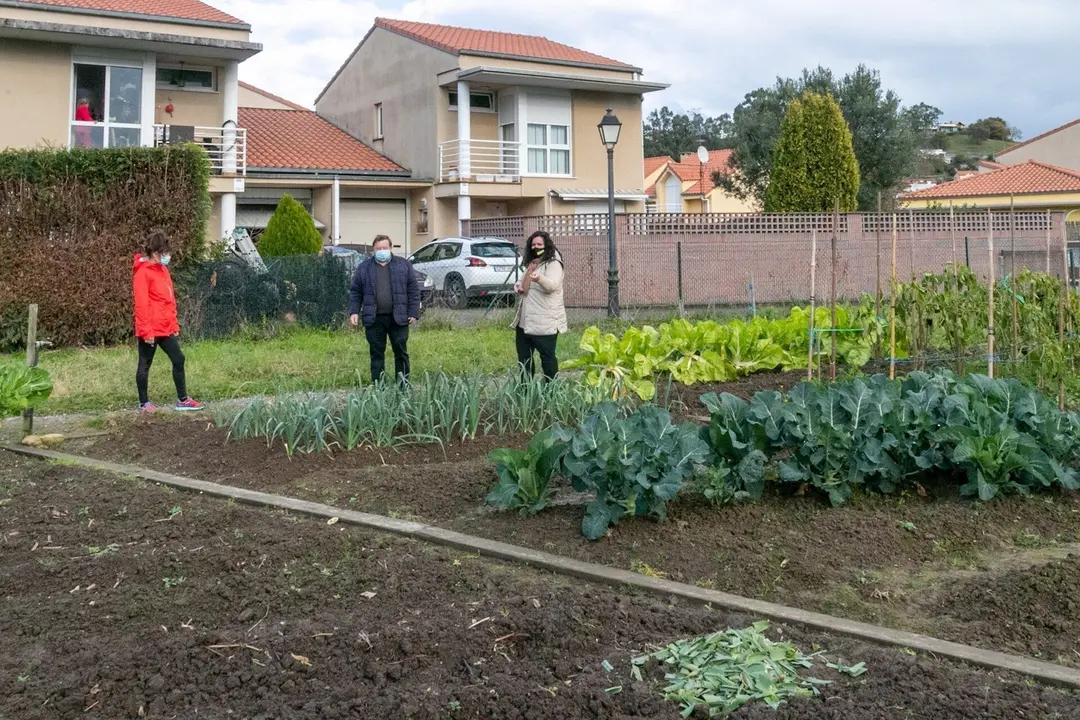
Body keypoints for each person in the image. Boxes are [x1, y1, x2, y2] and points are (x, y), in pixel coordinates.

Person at [132, 231, 203, 414]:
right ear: (155, 253)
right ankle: (143, 403)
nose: (167, 256)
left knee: (179, 358)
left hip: (164, 327)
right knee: (145, 364)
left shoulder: (163, 271)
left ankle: (183, 400)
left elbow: (168, 300)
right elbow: (141, 304)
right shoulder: (142, 274)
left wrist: (174, 324)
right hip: (150, 329)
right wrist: (146, 332)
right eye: (164, 252)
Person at [348, 235, 420, 384]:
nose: (382, 251)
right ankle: (378, 386)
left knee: (401, 352)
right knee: (376, 354)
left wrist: (413, 312)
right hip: (374, 319)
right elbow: (356, 291)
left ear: (390, 248)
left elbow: (413, 290)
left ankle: (403, 385)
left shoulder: (403, 265)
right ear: (373, 250)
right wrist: (354, 311)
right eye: (378, 248)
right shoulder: (364, 268)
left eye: (384, 248)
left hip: (398, 318)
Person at [512, 230, 567, 379]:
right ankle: (526, 392)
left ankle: (551, 392)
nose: (536, 247)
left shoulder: (553, 263)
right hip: (524, 322)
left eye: (539, 244)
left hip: (544, 322)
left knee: (547, 359)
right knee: (524, 360)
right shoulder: (534, 261)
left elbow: (551, 286)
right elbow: (524, 280)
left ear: (546, 245)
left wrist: (539, 279)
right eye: (533, 244)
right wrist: (518, 284)